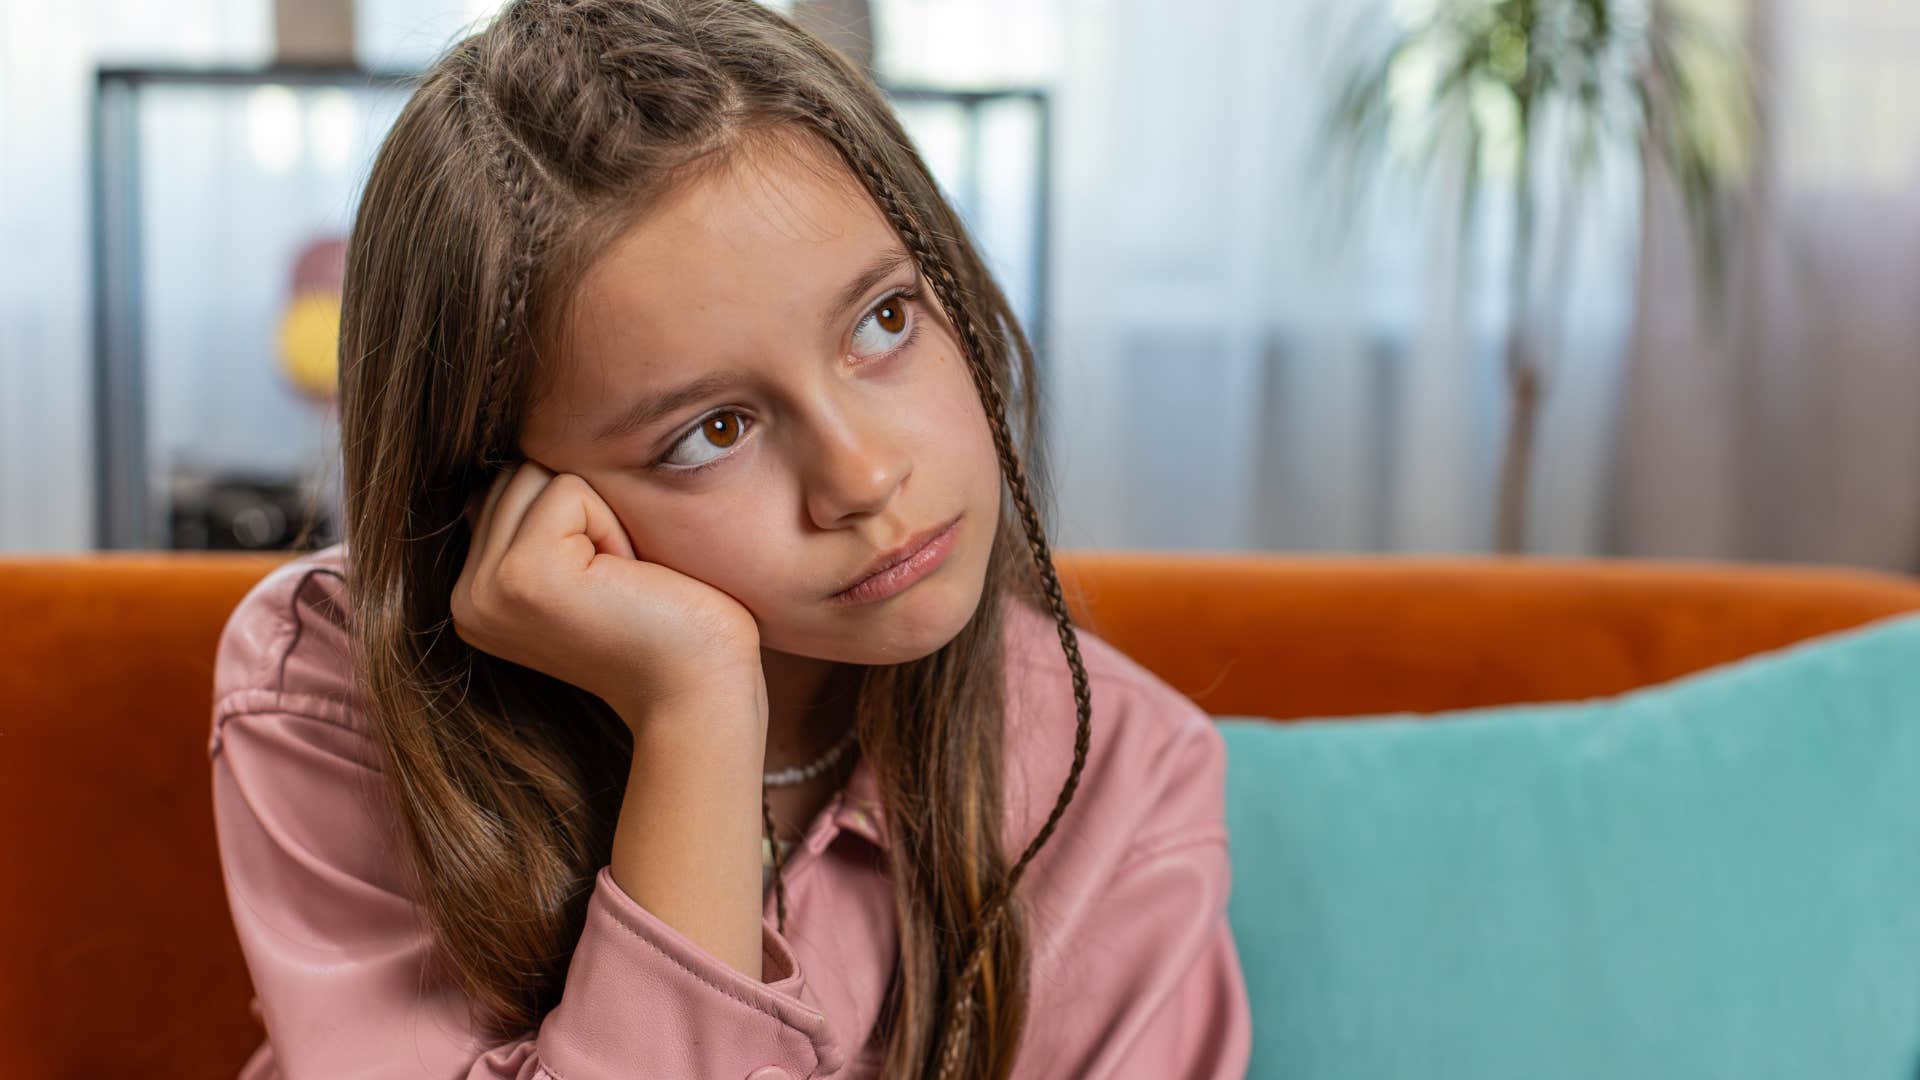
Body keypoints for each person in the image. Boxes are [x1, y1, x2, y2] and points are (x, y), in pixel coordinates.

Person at [207, 1, 1253, 1076]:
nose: (863, 475)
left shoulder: (1126, 784)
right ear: (499, 489)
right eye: (713, 432)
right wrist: (696, 710)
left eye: (883, 322)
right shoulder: (331, 692)